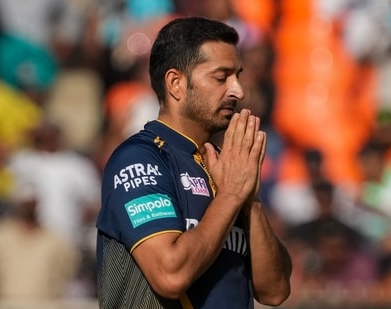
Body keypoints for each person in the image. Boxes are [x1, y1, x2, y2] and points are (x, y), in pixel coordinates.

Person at [96, 16, 292, 309]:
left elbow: (275, 291)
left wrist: (250, 201)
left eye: (237, 75)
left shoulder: (226, 168)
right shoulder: (140, 159)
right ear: (176, 83)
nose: (238, 90)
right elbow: (170, 274)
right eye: (221, 77)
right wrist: (232, 195)